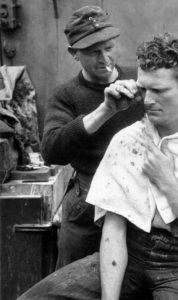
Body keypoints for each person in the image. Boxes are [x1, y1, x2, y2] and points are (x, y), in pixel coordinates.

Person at [17, 32, 178, 300]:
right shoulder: (128, 140)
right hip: (130, 250)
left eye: (160, 90)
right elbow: (114, 230)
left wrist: (168, 183)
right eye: (144, 89)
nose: (148, 100)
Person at [40, 5, 145, 269]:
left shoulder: (140, 78)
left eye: (108, 48)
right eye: (92, 52)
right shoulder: (66, 95)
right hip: (87, 202)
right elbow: (52, 151)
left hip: (140, 197)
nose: (104, 58)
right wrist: (106, 109)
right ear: (73, 53)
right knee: (69, 277)